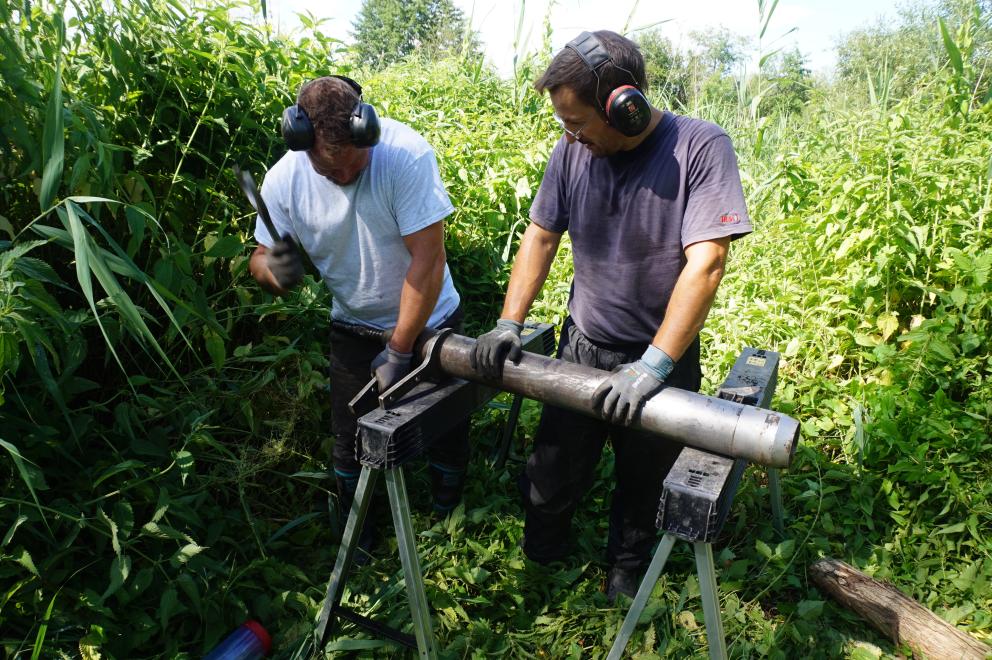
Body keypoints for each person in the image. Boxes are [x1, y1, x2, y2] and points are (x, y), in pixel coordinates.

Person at [470, 31, 753, 600]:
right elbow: (542, 235)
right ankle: (542, 559)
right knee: (550, 473)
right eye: (563, 125)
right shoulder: (572, 150)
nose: (570, 135)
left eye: (577, 122)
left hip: (660, 360)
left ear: (625, 108)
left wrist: (654, 365)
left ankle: (625, 573)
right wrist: (508, 322)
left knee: (643, 483)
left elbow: (708, 263)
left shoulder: (700, 148)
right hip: (581, 347)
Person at [248, 75, 469, 535]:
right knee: (349, 438)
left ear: (366, 129)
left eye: (353, 164)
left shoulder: (405, 155)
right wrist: (274, 272)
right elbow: (260, 258)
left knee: (444, 422)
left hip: (432, 319)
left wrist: (401, 349)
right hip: (352, 323)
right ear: (301, 142)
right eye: (330, 172)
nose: (344, 177)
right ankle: (361, 534)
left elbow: (428, 260)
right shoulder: (283, 181)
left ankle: (450, 512)